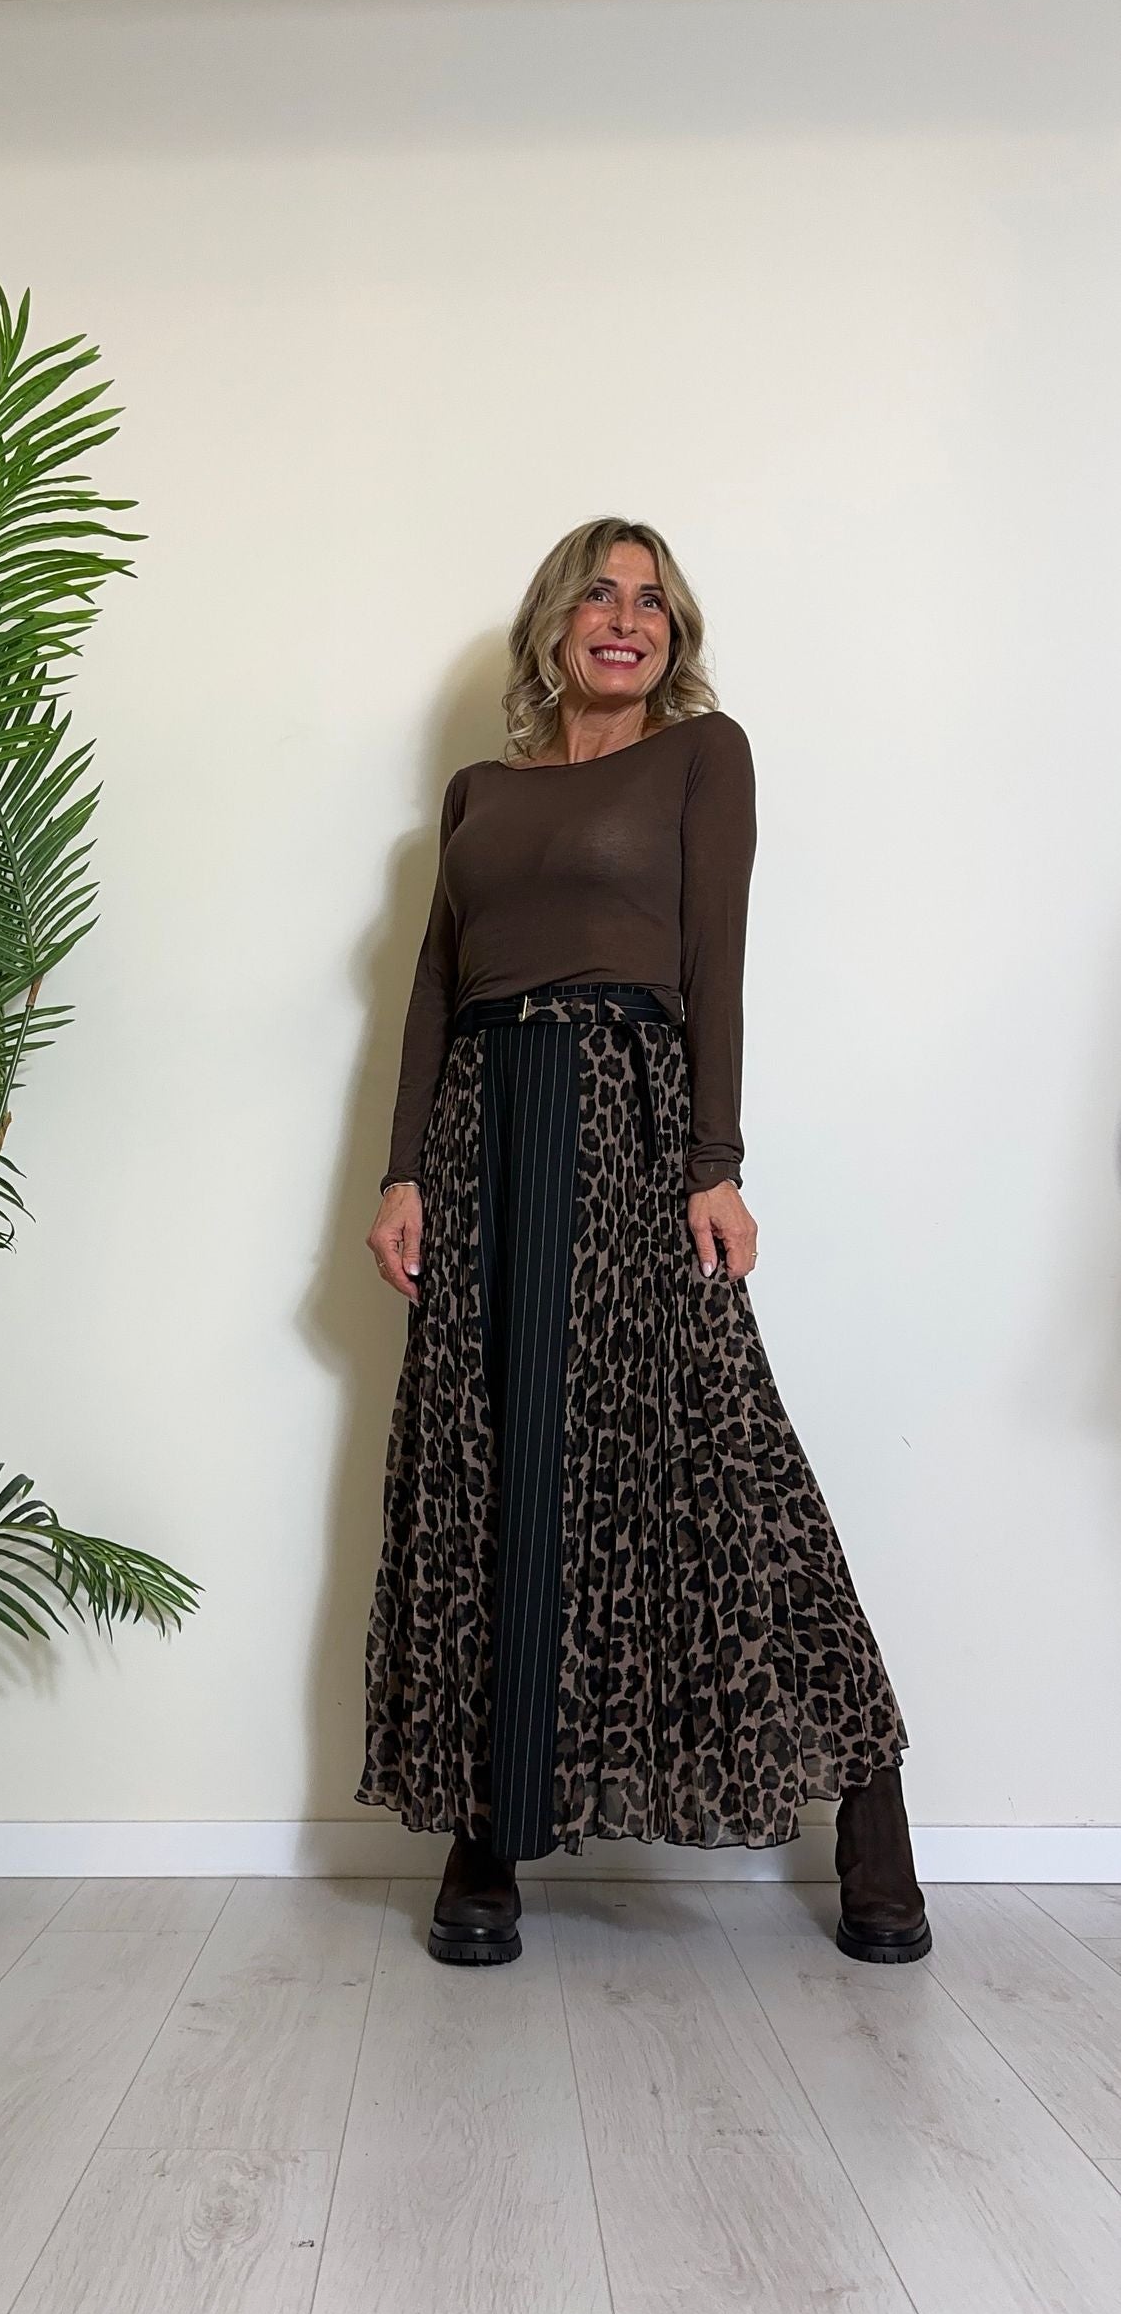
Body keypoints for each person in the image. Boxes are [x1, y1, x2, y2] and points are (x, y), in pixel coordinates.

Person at [359, 516, 930, 1971]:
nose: (628, 620)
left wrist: (713, 1166)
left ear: (675, 638)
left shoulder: (702, 756)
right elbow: (432, 988)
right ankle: (487, 1830)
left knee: (719, 1452)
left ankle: (872, 1814)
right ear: (553, 623)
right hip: (485, 1135)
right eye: (601, 596)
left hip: (627, 1114)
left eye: (654, 604)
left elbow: (714, 961)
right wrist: (404, 1172)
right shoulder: (479, 792)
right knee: (491, 1463)